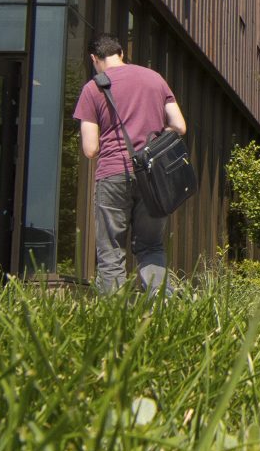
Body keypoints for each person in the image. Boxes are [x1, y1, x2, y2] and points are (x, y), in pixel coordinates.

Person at [74, 34, 189, 293]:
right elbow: (179, 126)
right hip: (153, 177)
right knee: (151, 246)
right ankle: (161, 305)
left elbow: (90, 149)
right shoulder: (154, 79)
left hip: (113, 174)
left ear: (94, 59)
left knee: (111, 250)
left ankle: (115, 313)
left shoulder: (92, 89)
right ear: (121, 53)